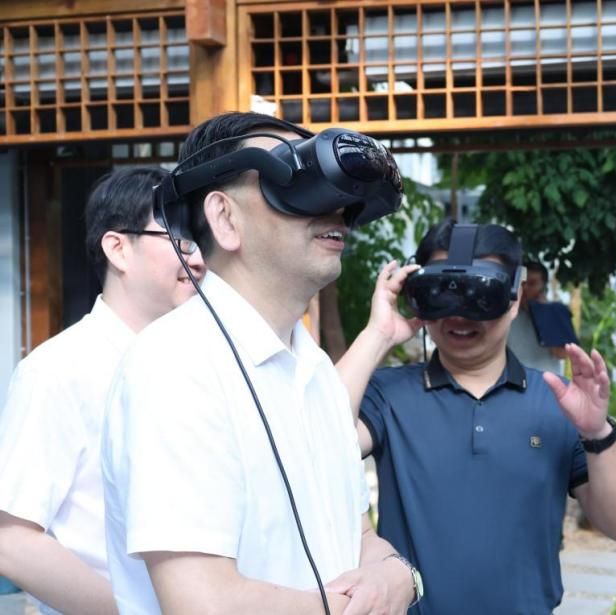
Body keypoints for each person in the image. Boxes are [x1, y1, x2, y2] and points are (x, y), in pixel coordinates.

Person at [101, 112, 417, 615]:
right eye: (294, 180)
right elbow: (203, 602)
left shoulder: (316, 370)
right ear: (225, 219)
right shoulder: (174, 367)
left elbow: (357, 535)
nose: (336, 207)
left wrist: (398, 573)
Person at [336, 220, 616, 614]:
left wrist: (596, 431)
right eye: (443, 293)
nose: (459, 314)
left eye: (480, 293)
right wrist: (377, 334)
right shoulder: (389, 394)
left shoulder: (558, 401)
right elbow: (315, 444)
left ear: (514, 299)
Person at [0, 167, 206, 615]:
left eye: (199, 242)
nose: (198, 260)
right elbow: (11, 538)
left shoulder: (201, 367)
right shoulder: (58, 371)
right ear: (118, 249)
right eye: (180, 238)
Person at [507, 260, 570, 375]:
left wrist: (542, 314)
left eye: (532, 284)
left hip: (546, 382)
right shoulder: (507, 314)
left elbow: (561, 353)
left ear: (543, 287)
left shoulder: (555, 313)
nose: (525, 288)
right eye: (522, 283)